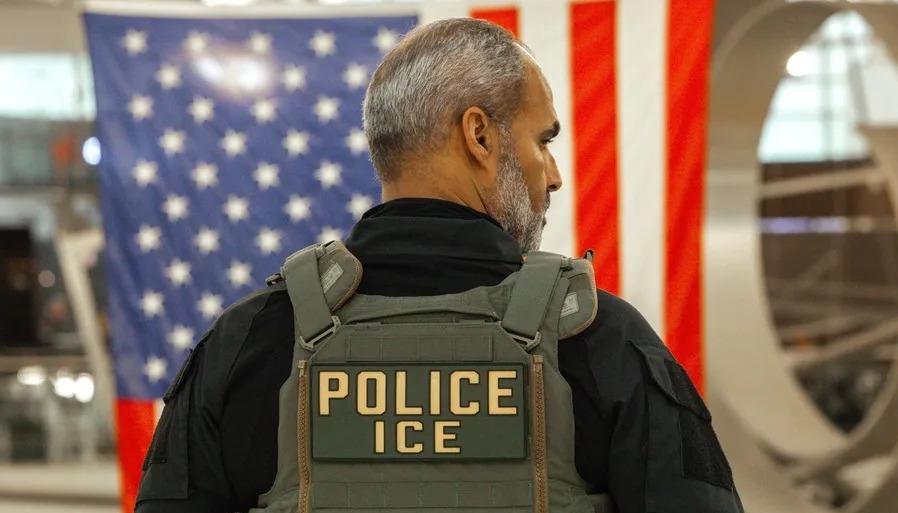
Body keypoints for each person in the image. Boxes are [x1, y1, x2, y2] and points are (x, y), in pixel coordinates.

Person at [135, 18, 744, 513]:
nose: (553, 175)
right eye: (543, 141)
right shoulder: (600, 340)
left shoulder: (245, 344)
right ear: (479, 136)